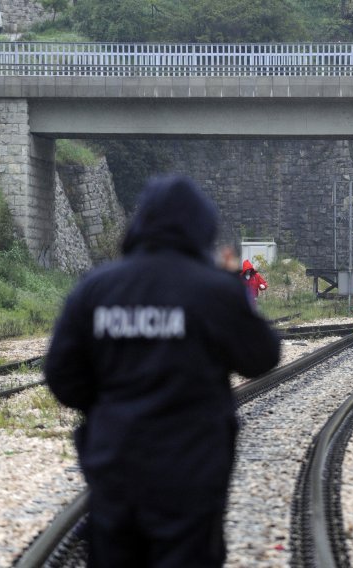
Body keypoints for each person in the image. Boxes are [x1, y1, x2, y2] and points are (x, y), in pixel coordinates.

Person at [44, 174, 281, 567]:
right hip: (191, 467)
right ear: (200, 227)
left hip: (115, 462)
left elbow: (62, 376)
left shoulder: (96, 288)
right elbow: (262, 356)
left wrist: (111, 406)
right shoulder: (213, 290)